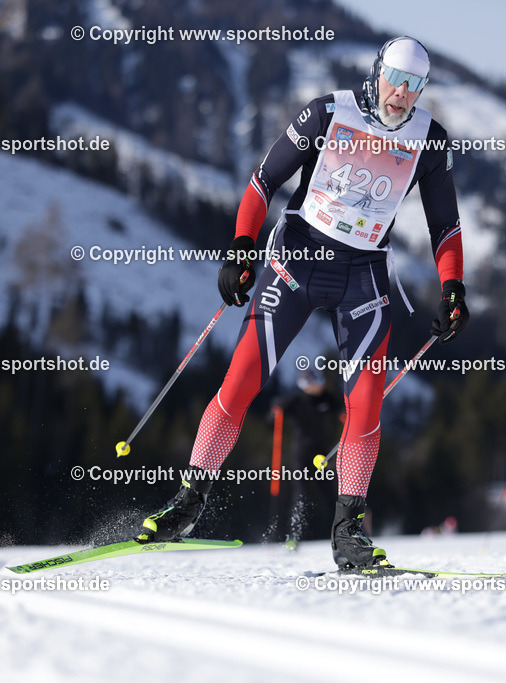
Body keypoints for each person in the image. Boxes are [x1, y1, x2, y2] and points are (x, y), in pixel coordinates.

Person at [137, 37, 468, 570]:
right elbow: (261, 182)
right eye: (396, 80)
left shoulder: (429, 140)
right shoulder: (326, 113)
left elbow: (445, 226)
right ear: (376, 72)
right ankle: (187, 502)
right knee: (241, 380)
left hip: (362, 277)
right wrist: (242, 248)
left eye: (415, 86)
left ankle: (348, 532)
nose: (402, 95)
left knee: (365, 403)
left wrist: (453, 286)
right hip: (296, 261)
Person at [269, 368, 344, 546]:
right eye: (315, 380)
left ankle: (343, 533)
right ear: (305, 385)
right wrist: (276, 409)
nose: (320, 383)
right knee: (301, 495)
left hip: (323, 455)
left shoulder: (327, 398)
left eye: (320, 379)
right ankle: (293, 537)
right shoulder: (296, 400)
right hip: (301, 454)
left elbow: (343, 412)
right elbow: (273, 417)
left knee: (331, 495)